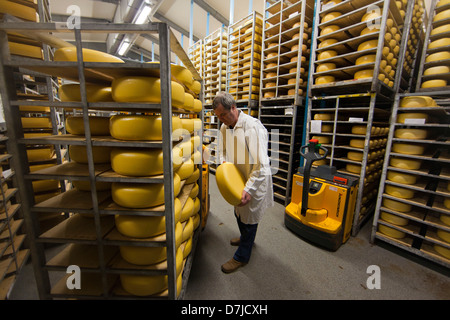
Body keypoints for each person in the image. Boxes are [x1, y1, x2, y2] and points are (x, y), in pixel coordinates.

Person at [212, 92, 274, 274]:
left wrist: (249, 189)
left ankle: (242, 256)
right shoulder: (225, 127)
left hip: (254, 179)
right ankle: (245, 238)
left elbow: (262, 165)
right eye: (218, 116)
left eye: (223, 114)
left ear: (233, 107)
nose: (221, 119)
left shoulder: (252, 127)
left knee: (249, 220)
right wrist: (224, 163)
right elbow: (222, 149)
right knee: (237, 211)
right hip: (237, 177)